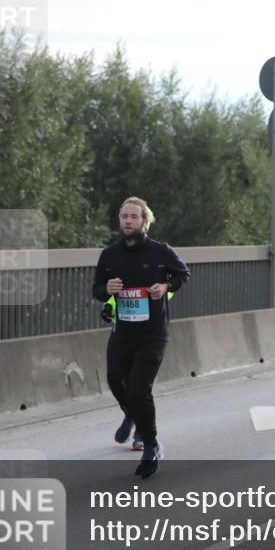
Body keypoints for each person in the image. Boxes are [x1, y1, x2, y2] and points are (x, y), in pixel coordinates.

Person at [92, 197, 190, 478]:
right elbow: (97, 289)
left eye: (134, 217)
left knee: (139, 388)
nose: (128, 221)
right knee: (113, 378)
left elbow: (183, 274)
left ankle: (150, 445)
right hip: (123, 332)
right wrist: (106, 289)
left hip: (153, 334)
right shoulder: (109, 255)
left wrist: (165, 285)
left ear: (145, 221)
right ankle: (133, 414)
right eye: (124, 216)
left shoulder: (161, 251)